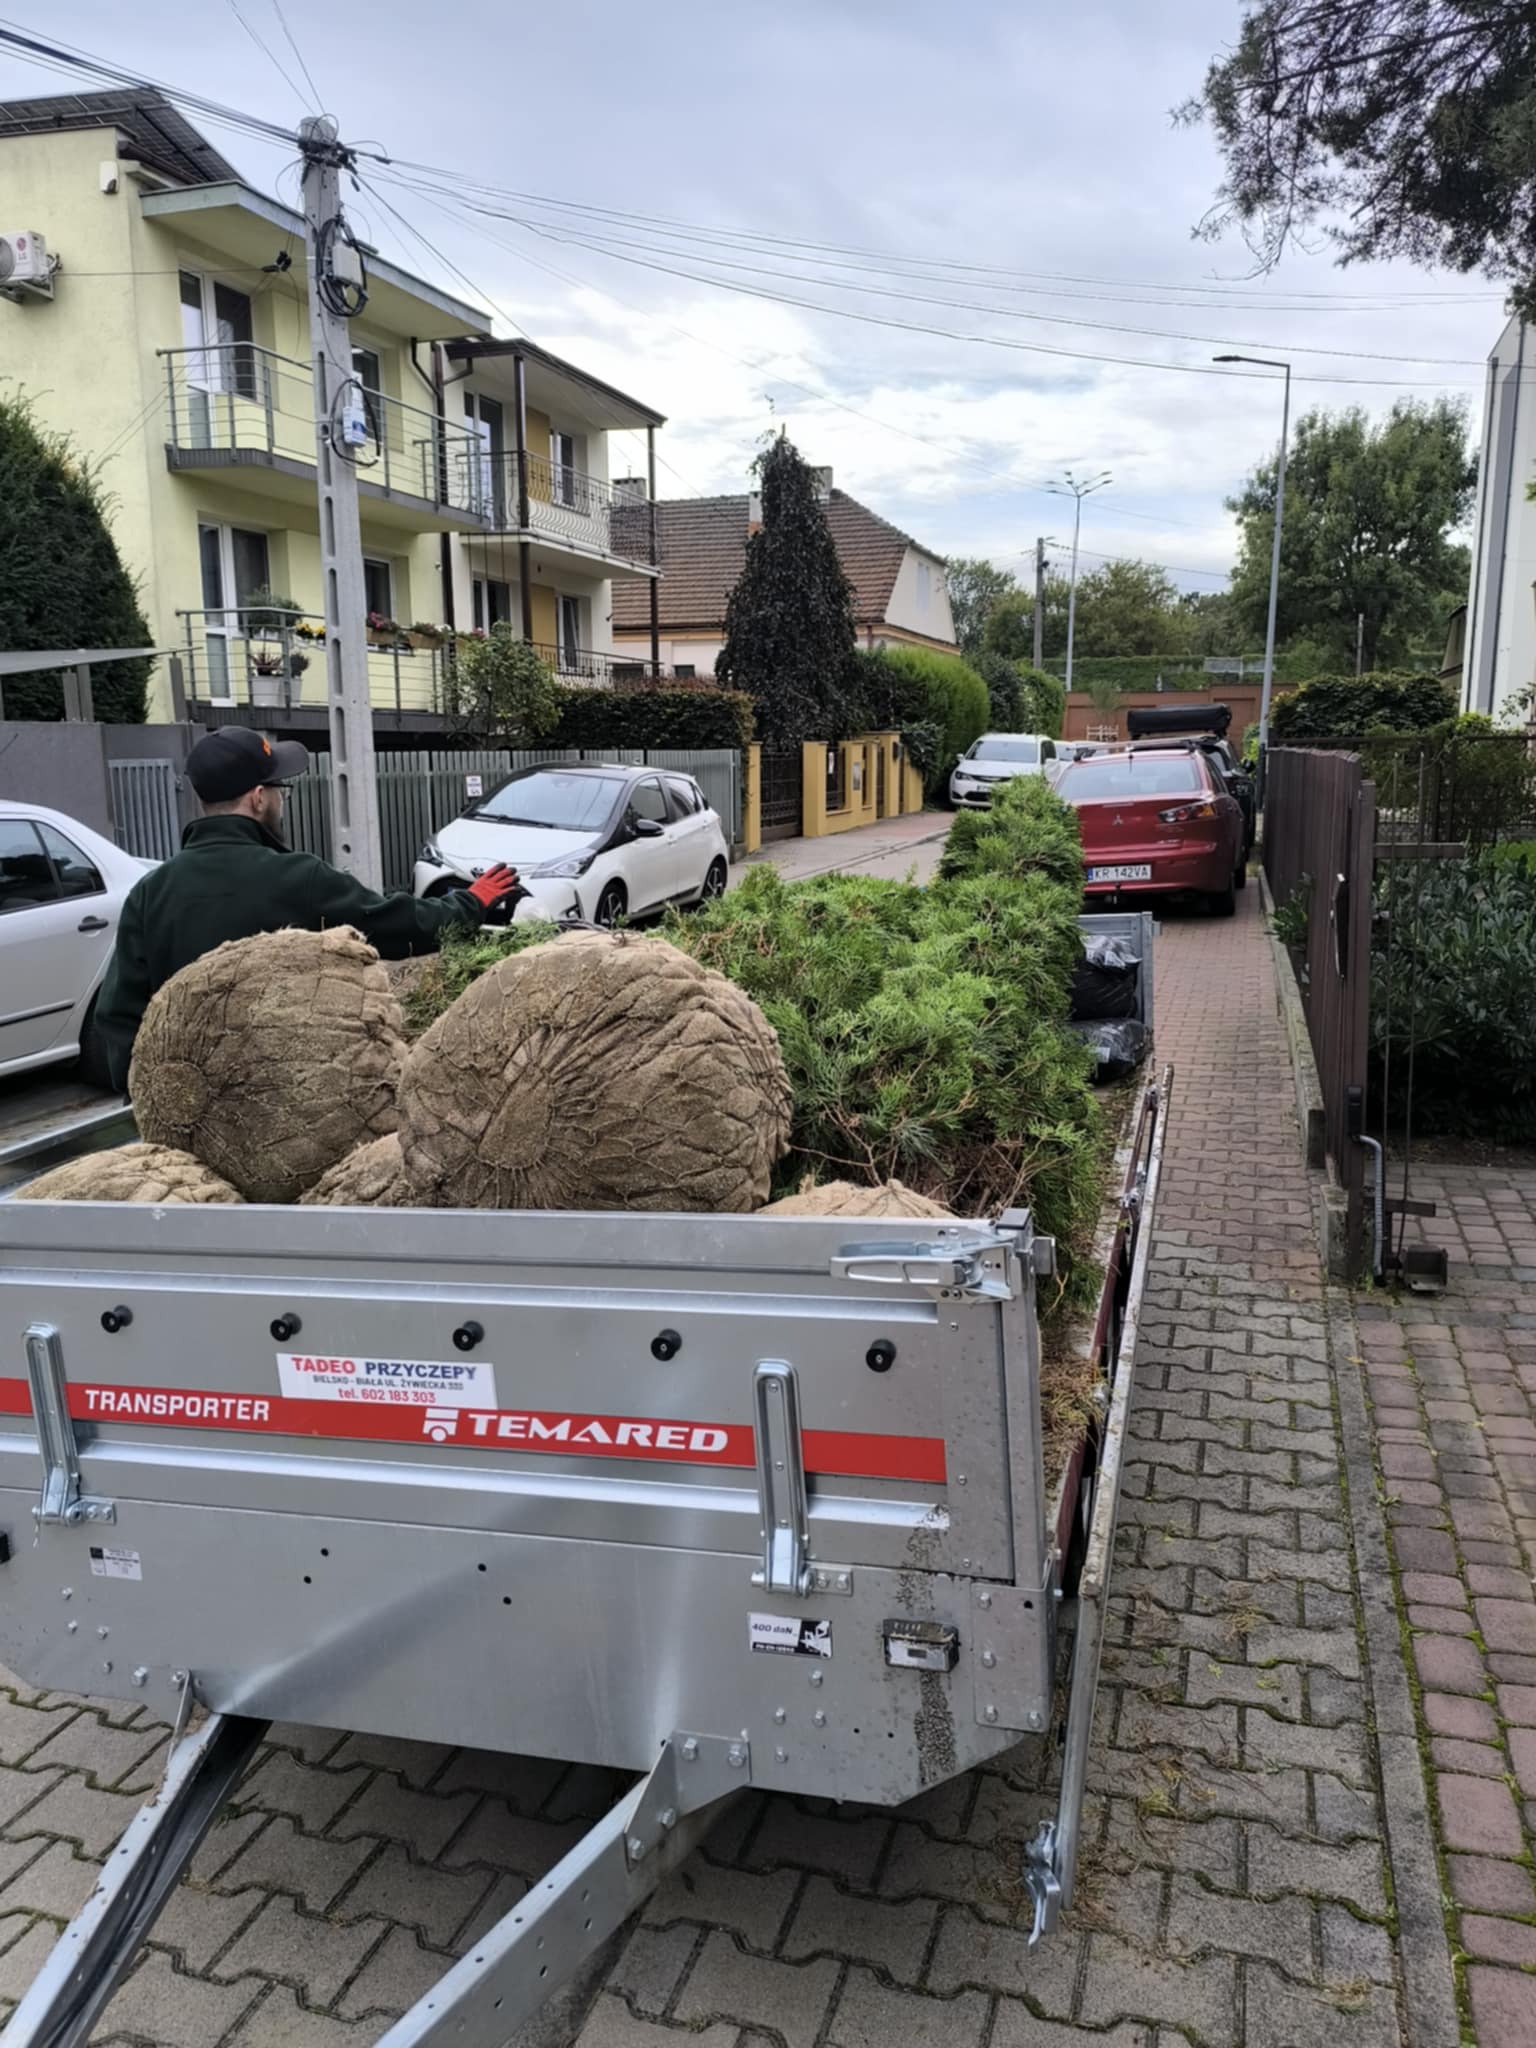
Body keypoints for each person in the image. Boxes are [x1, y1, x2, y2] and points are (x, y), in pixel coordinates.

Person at [92, 726, 518, 1089]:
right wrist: (471, 902)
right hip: (285, 1102)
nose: (281, 800)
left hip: (190, 1104)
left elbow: (118, 1017)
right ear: (258, 798)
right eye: (280, 790)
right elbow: (397, 924)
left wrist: (154, 1097)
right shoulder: (298, 878)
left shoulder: (149, 893)